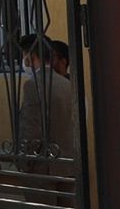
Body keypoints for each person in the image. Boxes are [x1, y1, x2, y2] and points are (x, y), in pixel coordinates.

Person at [16, 33, 79, 200]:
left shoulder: (32, 85)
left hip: (43, 169)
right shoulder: (67, 84)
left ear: (31, 57)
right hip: (67, 166)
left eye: (24, 56)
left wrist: (24, 162)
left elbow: (31, 129)